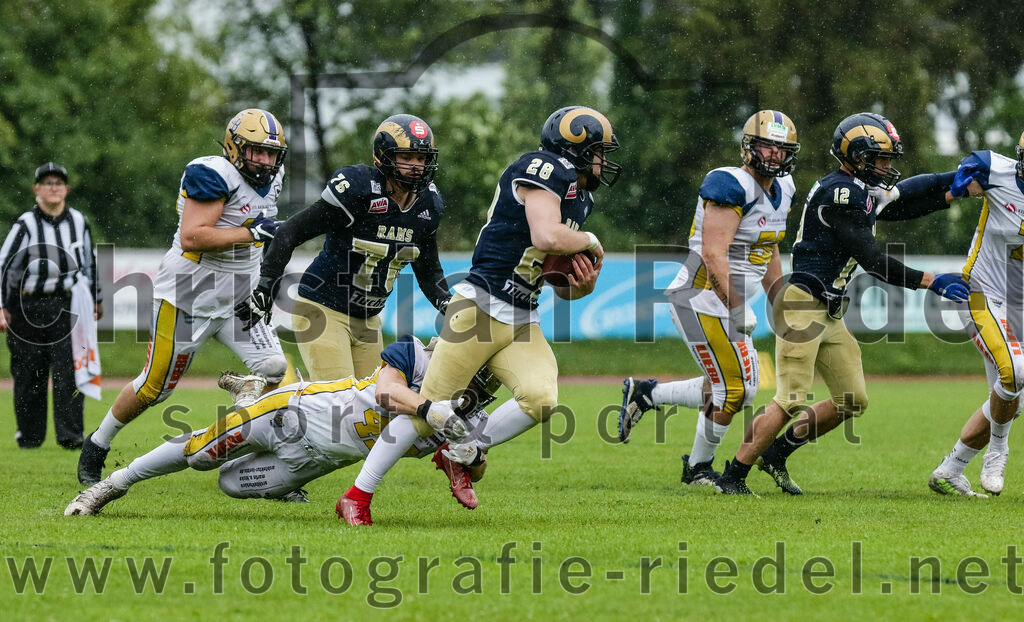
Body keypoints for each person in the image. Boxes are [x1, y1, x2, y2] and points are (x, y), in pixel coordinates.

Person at [335, 106, 619, 526]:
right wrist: (593, 241)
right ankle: (357, 495)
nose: (602, 161)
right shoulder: (544, 167)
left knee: (541, 399)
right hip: (481, 308)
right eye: (597, 151)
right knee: (428, 413)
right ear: (574, 148)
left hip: (523, 315)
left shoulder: (582, 197)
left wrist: (584, 284)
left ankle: (458, 453)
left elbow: (560, 283)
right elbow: (544, 235)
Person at [715, 112, 972, 495]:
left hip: (829, 310)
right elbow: (872, 259)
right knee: (789, 400)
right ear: (855, 156)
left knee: (852, 399)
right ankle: (732, 476)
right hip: (802, 304)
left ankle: (777, 454)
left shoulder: (859, 188)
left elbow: (909, 200)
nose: (886, 167)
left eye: (889, 159)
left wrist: (957, 183)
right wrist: (931, 281)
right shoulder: (843, 193)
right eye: (879, 158)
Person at [76, 109, 289, 486]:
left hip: (239, 298)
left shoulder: (273, 178)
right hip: (190, 296)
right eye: (257, 151)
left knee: (279, 372)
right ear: (234, 146)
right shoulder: (212, 174)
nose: (266, 161)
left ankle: (270, 471)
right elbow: (193, 235)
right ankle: (98, 442)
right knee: (154, 388)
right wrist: (251, 232)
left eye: (272, 153)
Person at [64, 335, 497, 517]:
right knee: (200, 457)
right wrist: (433, 413)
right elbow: (388, 394)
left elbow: (474, 471)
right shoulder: (414, 353)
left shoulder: (469, 416)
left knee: (230, 484)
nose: (477, 385)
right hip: (291, 416)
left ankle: (247, 395)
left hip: (317, 462)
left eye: (486, 380)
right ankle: (110, 486)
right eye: (476, 371)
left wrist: (471, 455)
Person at [617, 110, 800, 486]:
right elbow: (715, 253)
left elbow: (769, 249)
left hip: (729, 303)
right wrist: (737, 305)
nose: (774, 156)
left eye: (782, 149)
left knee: (735, 387)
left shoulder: (786, 191)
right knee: (734, 389)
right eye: (767, 146)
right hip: (698, 298)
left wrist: (779, 299)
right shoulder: (729, 184)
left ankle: (649, 394)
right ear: (749, 146)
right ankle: (698, 469)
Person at [235, 114, 450, 382]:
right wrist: (266, 286)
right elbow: (290, 232)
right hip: (323, 310)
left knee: (372, 415)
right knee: (339, 405)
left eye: (422, 159)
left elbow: (428, 269)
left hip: (369, 321)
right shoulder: (359, 189)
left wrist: (448, 305)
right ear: (384, 157)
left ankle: (282, 410)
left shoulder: (428, 204)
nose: (417, 167)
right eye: (407, 157)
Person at [928, 130, 1024, 497]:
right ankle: (998, 451)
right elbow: (947, 186)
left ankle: (950, 469)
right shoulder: (994, 170)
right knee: (1015, 372)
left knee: (1008, 402)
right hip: (984, 293)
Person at [0, 162, 103, 449]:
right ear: (37, 189)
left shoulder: (79, 221)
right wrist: (1, 306)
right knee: (29, 372)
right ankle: (30, 438)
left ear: (67, 189)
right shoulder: (26, 224)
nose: (53, 188)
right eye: (47, 183)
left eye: (58, 183)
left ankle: (71, 437)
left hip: (66, 305)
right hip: (27, 306)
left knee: (69, 372)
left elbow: (89, 263)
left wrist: (97, 298)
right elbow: (3, 264)